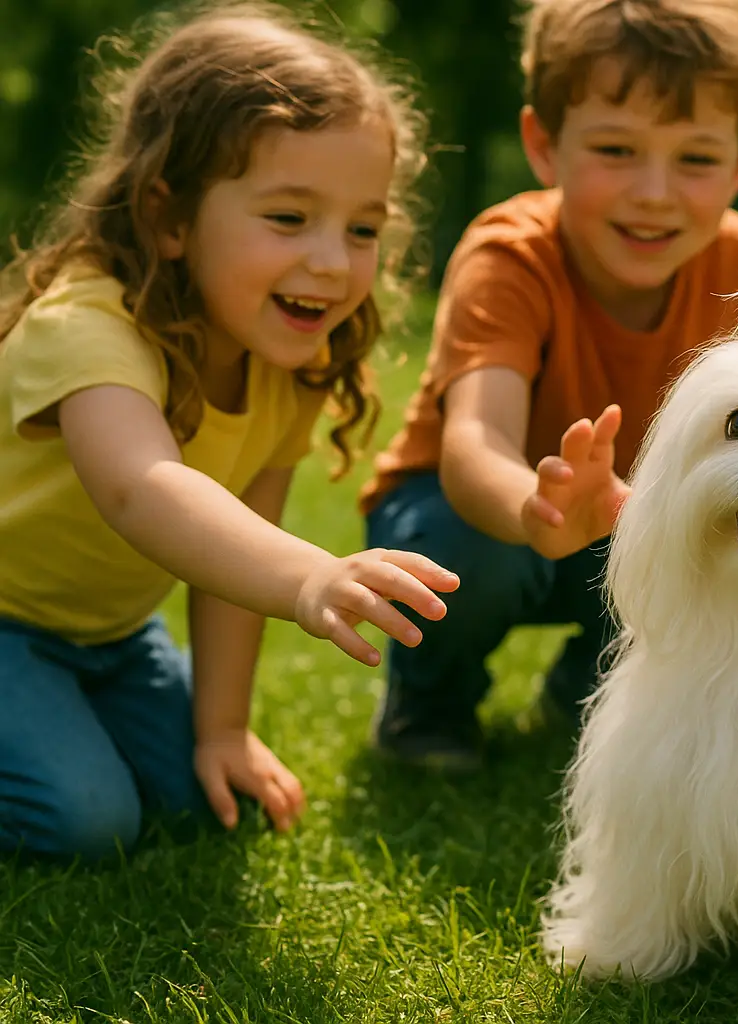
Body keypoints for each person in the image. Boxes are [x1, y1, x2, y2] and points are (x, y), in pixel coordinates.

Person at [0, 1, 459, 860]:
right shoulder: (86, 324)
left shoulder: (285, 355)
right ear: (169, 218)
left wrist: (223, 730)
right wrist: (311, 580)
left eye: (362, 227)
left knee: (197, 797)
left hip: (110, 637)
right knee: (87, 820)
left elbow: (230, 556)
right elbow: (145, 490)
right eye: (289, 218)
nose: (331, 259)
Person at [361, 0, 738, 770]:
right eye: (617, 149)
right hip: (474, 516)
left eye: (695, 159)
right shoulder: (509, 257)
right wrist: (537, 510)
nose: (654, 191)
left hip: (630, 518)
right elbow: (473, 446)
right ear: (544, 144)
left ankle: (586, 685)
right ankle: (428, 703)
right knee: (477, 555)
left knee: (727, 539)